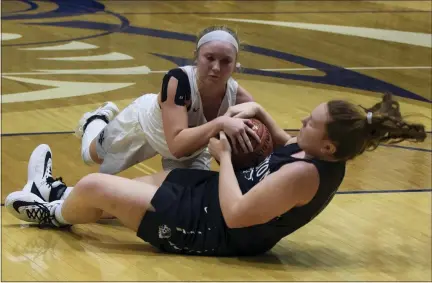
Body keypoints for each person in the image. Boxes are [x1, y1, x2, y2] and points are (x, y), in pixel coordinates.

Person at [5, 94, 426, 256]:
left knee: (99, 187)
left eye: (311, 122)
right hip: (210, 202)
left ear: (328, 146)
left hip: (214, 228)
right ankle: (57, 192)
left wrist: (223, 159)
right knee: (125, 191)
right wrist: (259, 110)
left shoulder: (306, 177)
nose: (302, 120)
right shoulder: (316, 152)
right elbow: (284, 144)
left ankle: (52, 211)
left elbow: (239, 214)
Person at [75, 25, 259, 176]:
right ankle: (95, 119)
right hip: (144, 127)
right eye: (209, 58)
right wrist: (221, 123)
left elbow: (264, 143)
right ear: (196, 55)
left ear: (236, 64)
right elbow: (176, 144)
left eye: (226, 61)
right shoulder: (178, 80)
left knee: (191, 203)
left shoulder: (241, 100)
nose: (216, 67)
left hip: (191, 151)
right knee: (89, 157)